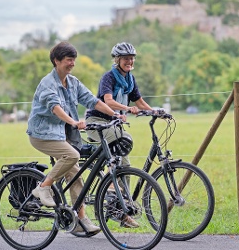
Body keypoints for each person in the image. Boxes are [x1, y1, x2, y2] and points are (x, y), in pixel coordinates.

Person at [26, 41, 123, 234]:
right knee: (72, 156)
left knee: (75, 173)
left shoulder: (72, 82)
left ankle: (80, 220)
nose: (72, 63)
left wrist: (114, 114)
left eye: (74, 60)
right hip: (41, 134)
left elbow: (92, 100)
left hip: (60, 135)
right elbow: (55, 107)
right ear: (56, 61)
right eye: (69, 60)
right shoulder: (48, 84)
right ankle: (43, 187)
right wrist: (73, 121)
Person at [85, 42, 153, 228]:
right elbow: (108, 101)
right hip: (97, 123)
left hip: (114, 123)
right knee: (120, 152)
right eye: (125, 58)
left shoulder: (130, 79)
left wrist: (155, 112)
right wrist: (126, 109)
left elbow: (139, 101)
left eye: (131, 58)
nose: (129, 61)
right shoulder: (109, 77)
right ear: (117, 60)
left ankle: (122, 209)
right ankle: (112, 190)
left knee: (126, 165)